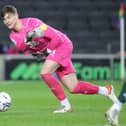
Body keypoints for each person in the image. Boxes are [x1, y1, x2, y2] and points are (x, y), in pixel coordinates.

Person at [1, 5, 117, 113]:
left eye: (9, 17)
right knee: (74, 87)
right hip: (53, 52)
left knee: (45, 73)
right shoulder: (13, 36)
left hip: (62, 45)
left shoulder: (33, 22)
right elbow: (26, 47)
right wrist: (36, 48)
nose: (7, 21)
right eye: (4, 19)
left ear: (16, 15)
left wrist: (37, 35)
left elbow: (55, 37)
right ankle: (106, 90)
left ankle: (65, 106)